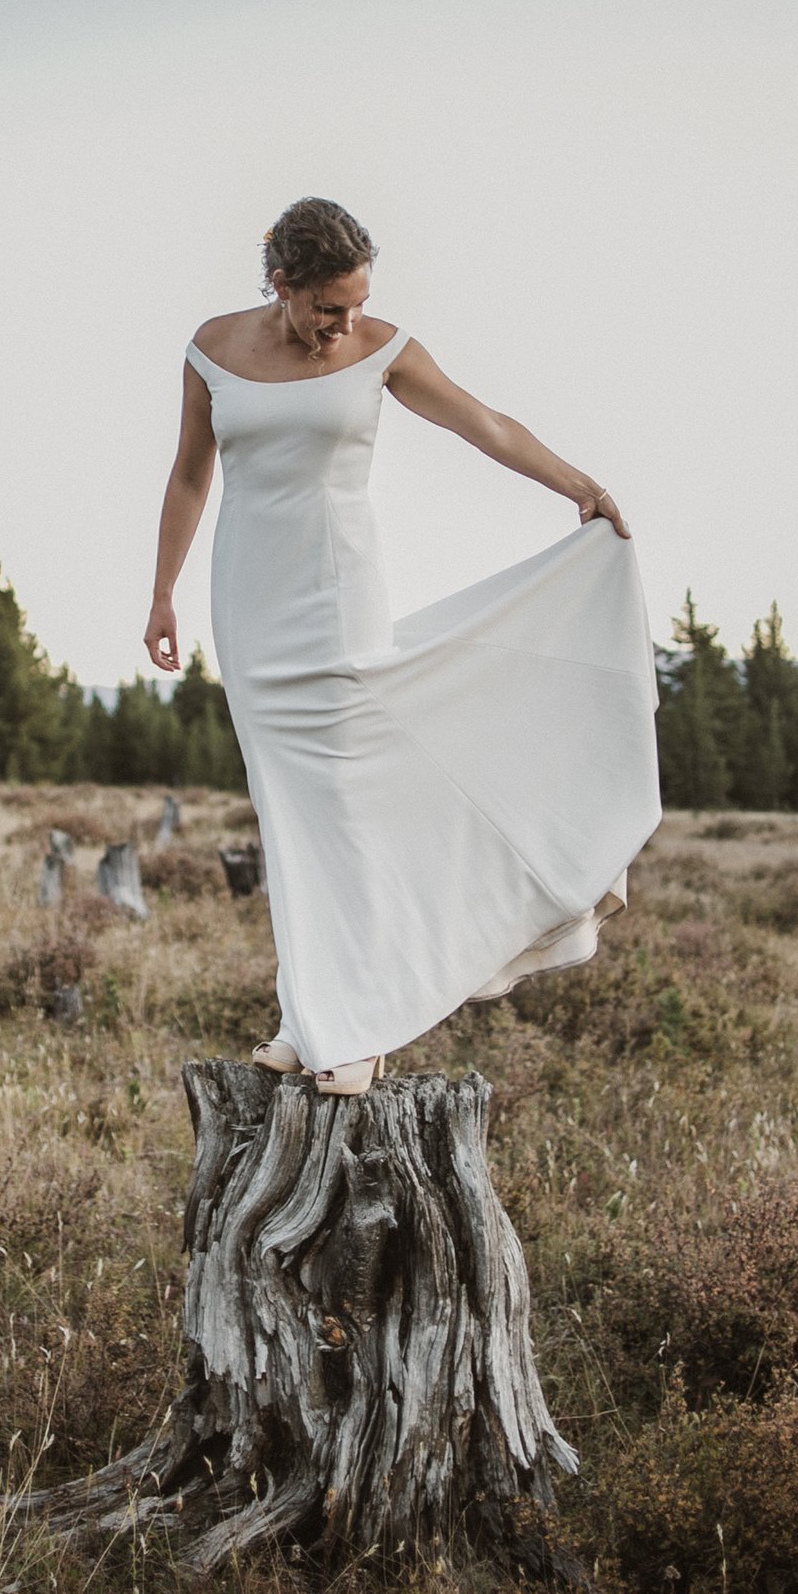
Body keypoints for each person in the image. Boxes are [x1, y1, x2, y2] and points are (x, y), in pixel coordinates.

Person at [145, 197, 661, 1094]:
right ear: (282, 283)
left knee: (347, 800)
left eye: (356, 305)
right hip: (249, 597)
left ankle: (364, 1020)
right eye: (327, 307)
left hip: (339, 590)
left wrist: (578, 484)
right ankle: (307, 1017)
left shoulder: (384, 349)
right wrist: (162, 593)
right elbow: (190, 476)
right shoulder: (210, 349)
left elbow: (481, 422)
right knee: (286, 805)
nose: (343, 324)